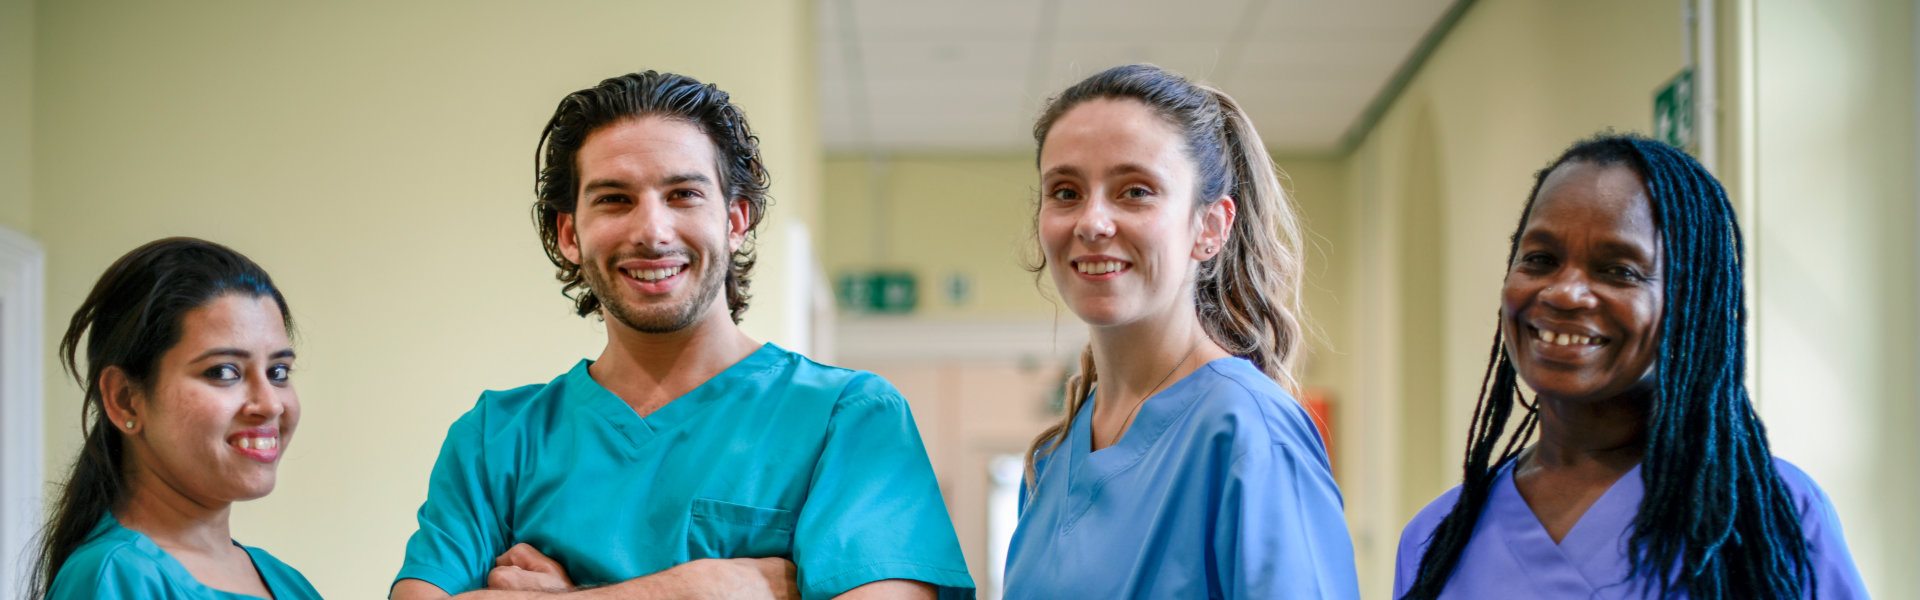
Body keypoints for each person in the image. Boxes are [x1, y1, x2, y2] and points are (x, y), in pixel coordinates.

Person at [390, 71, 974, 600]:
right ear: (570, 233)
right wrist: (703, 586)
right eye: (614, 199)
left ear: (736, 218)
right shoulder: (498, 438)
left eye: (684, 194)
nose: (652, 230)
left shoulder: (848, 417)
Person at [1393, 135, 1868, 599]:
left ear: (1687, 305)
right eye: (1540, 259)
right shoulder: (1434, 541)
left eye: (1619, 270)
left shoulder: (1767, 512)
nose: (1563, 292)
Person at [1002, 64, 1360, 599]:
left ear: (1210, 227)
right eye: (1066, 191)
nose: (1092, 222)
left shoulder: (1247, 429)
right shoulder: (1050, 463)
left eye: (1135, 191)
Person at [27, 237, 319, 599]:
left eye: (278, 371)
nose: (271, 404)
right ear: (125, 400)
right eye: (224, 371)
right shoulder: (115, 577)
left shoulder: (289, 583)